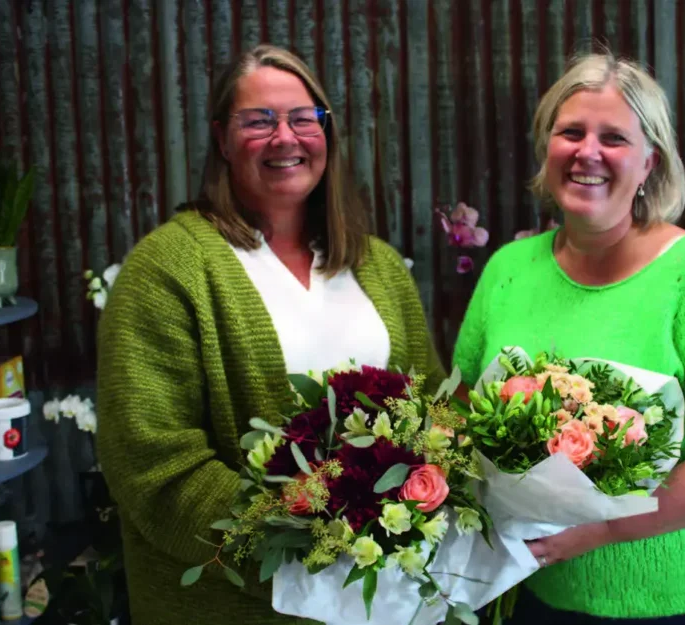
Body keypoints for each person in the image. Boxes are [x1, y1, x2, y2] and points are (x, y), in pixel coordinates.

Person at [96, 44, 444, 625]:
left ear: (326, 133)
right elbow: (154, 464)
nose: (286, 137)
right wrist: (305, 551)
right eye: (258, 121)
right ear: (222, 139)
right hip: (237, 604)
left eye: (304, 118)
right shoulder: (168, 269)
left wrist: (417, 520)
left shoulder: (375, 264)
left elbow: (432, 404)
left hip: (385, 595)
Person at [452, 52, 685, 624]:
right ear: (547, 146)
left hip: (680, 605)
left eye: (614, 137)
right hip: (530, 590)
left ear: (649, 163)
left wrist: (604, 528)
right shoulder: (509, 269)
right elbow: (461, 404)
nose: (588, 152)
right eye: (571, 132)